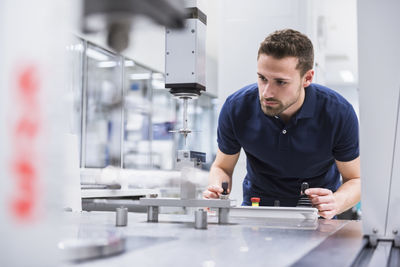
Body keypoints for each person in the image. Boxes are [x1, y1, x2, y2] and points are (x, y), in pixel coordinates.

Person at [202, 29, 360, 219]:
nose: (267, 93)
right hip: (257, 212)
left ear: (307, 78)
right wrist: (218, 189)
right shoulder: (236, 108)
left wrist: (336, 201)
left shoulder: (338, 113)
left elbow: (355, 179)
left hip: (314, 216)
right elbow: (222, 167)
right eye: (262, 78)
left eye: (281, 82)